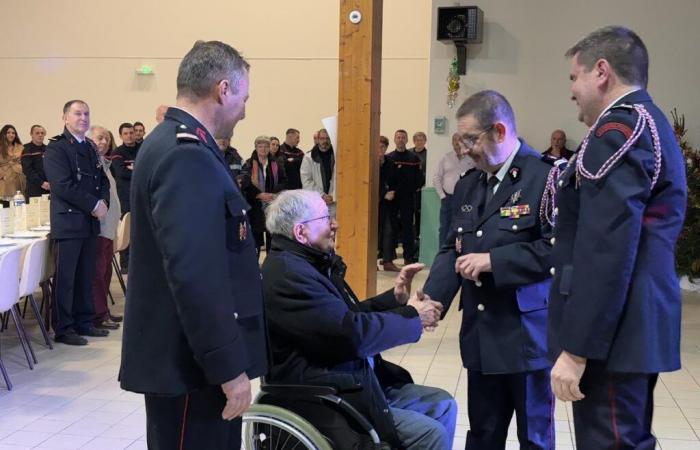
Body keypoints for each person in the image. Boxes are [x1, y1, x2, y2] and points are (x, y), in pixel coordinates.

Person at [120, 41, 268, 450]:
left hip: (190, 360)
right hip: (193, 368)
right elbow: (195, 276)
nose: (244, 109)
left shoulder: (178, 142)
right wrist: (228, 368)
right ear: (223, 89)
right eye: (243, 96)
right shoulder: (187, 154)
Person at [548, 26, 687, 450]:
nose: (571, 89)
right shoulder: (644, 122)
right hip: (627, 325)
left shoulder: (619, 131)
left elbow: (606, 247)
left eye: (575, 76)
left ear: (601, 72)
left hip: (613, 332)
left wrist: (577, 349)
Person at [262, 189, 456, 450]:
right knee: (430, 434)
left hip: (351, 381)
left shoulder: (309, 264)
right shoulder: (289, 275)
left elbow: (347, 318)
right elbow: (351, 335)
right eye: (325, 217)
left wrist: (395, 299)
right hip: (325, 395)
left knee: (442, 404)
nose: (335, 224)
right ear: (301, 232)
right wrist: (413, 317)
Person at [423, 90, 555, 450]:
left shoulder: (543, 178)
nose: (464, 149)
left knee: (535, 438)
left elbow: (557, 250)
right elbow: (453, 247)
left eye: (470, 139)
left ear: (499, 131)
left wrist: (495, 261)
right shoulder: (469, 184)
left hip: (526, 336)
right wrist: (431, 300)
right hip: (481, 333)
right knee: (482, 435)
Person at [44, 100, 111, 346]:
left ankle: (84, 321)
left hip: (90, 223)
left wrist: (103, 201)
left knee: (86, 275)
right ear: (65, 118)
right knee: (67, 278)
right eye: (77, 113)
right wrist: (94, 205)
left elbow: (101, 179)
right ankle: (64, 328)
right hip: (69, 222)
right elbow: (62, 186)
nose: (83, 117)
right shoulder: (56, 149)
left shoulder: (90, 147)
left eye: (86, 113)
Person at [87, 125, 122, 330]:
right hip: (98, 228)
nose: (104, 142)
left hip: (108, 229)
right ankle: (98, 315)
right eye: (99, 138)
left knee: (105, 272)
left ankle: (104, 311)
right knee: (98, 274)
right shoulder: (90, 164)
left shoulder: (104, 164)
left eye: (107, 139)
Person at [242, 135, 286, 255]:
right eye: (260, 146)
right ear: (256, 148)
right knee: (256, 241)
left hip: (272, 204)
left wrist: (272, 194)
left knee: (272, 239)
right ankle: (255, 270)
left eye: (266, 146)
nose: (263, 149)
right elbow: (246, 184)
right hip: (255, 206)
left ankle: (270, 266)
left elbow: (283, 181)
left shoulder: (276, 163)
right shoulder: (249, 164)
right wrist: (259, 195)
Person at [385, 129, 423, 265]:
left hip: (408, 199)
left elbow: (420, 179)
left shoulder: (414, 158)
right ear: (395, 140)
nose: (400, 139)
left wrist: (412, 190)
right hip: (392, 200)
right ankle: (389, 259)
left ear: (407, 140)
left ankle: (408, 258)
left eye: (403, 137)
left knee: (408, 229)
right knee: (391, 229)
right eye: (398, 137)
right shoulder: (389, 158)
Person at [433, 132, 475, 246]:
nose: (457, 144)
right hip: (448, 199)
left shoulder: (471, 158)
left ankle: (459, 255)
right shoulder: (445, 157)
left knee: (463, 228)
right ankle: (443, 257)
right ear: (452, 143)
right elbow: (437, 177)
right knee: (445, 228)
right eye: (455, 141)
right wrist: (442, 195)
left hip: (466, 200)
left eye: (460, 141)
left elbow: (477, 177)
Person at [111, 122, 138, 274]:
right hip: (125, 198)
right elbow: (121, 173)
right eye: (126, 133)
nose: (129, 136)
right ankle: (125, 265)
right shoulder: (117, 152)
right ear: (121, 136)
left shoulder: (142, 149)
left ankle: (139, 263)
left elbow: (148, 169)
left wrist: (134, 169)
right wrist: (138, 170)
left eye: (131, 132)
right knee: (127, 230)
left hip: (141, 196)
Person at [300, 128, 335, 215]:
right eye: (322, 138)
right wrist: (322, 195)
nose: (325, 141)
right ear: (318, 140)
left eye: (328, 138)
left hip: (334, 201)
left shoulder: (337, 156)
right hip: (316, 200)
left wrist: (333, 195)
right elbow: (306, 181)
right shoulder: (308, 158)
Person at [377, 135, 398, 271]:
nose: (380, 149)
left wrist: (393, 191)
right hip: (373, 204)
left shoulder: (391, 163)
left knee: (389, 231)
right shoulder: (369, 163)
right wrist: (382, 194)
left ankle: (388, 260)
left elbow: (396, 181)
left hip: (389, 204)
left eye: (383, 147)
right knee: (374, 234)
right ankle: (371, 261)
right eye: (378, 147)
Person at [21, 125, 50, 198]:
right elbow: (27, 170)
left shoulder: (48, 149)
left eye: (42, 133)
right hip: (34, 189)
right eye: (37, 133)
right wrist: (42, 183)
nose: (40, 135)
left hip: (49, 188)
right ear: (31, 134)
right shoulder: (26, 149)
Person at [0, 124, 26, 200]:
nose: (11, 135)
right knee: (5, 204)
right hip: (5, 180)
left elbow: (24, 162)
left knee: (19, 203)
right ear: (3, 134)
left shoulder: (20, 147)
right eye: (8, 132)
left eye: (13, 133)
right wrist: (2, 175)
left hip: (19, 178)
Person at [410, 131, 428, 241]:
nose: (419, 142)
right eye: (417, 140)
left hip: (421, 190)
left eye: (421, 140)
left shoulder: (429, 155)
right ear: (413, 141)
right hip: (408, 190)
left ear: (425, 141)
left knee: (418, 215)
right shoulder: (409, 153)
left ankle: (418, 238)